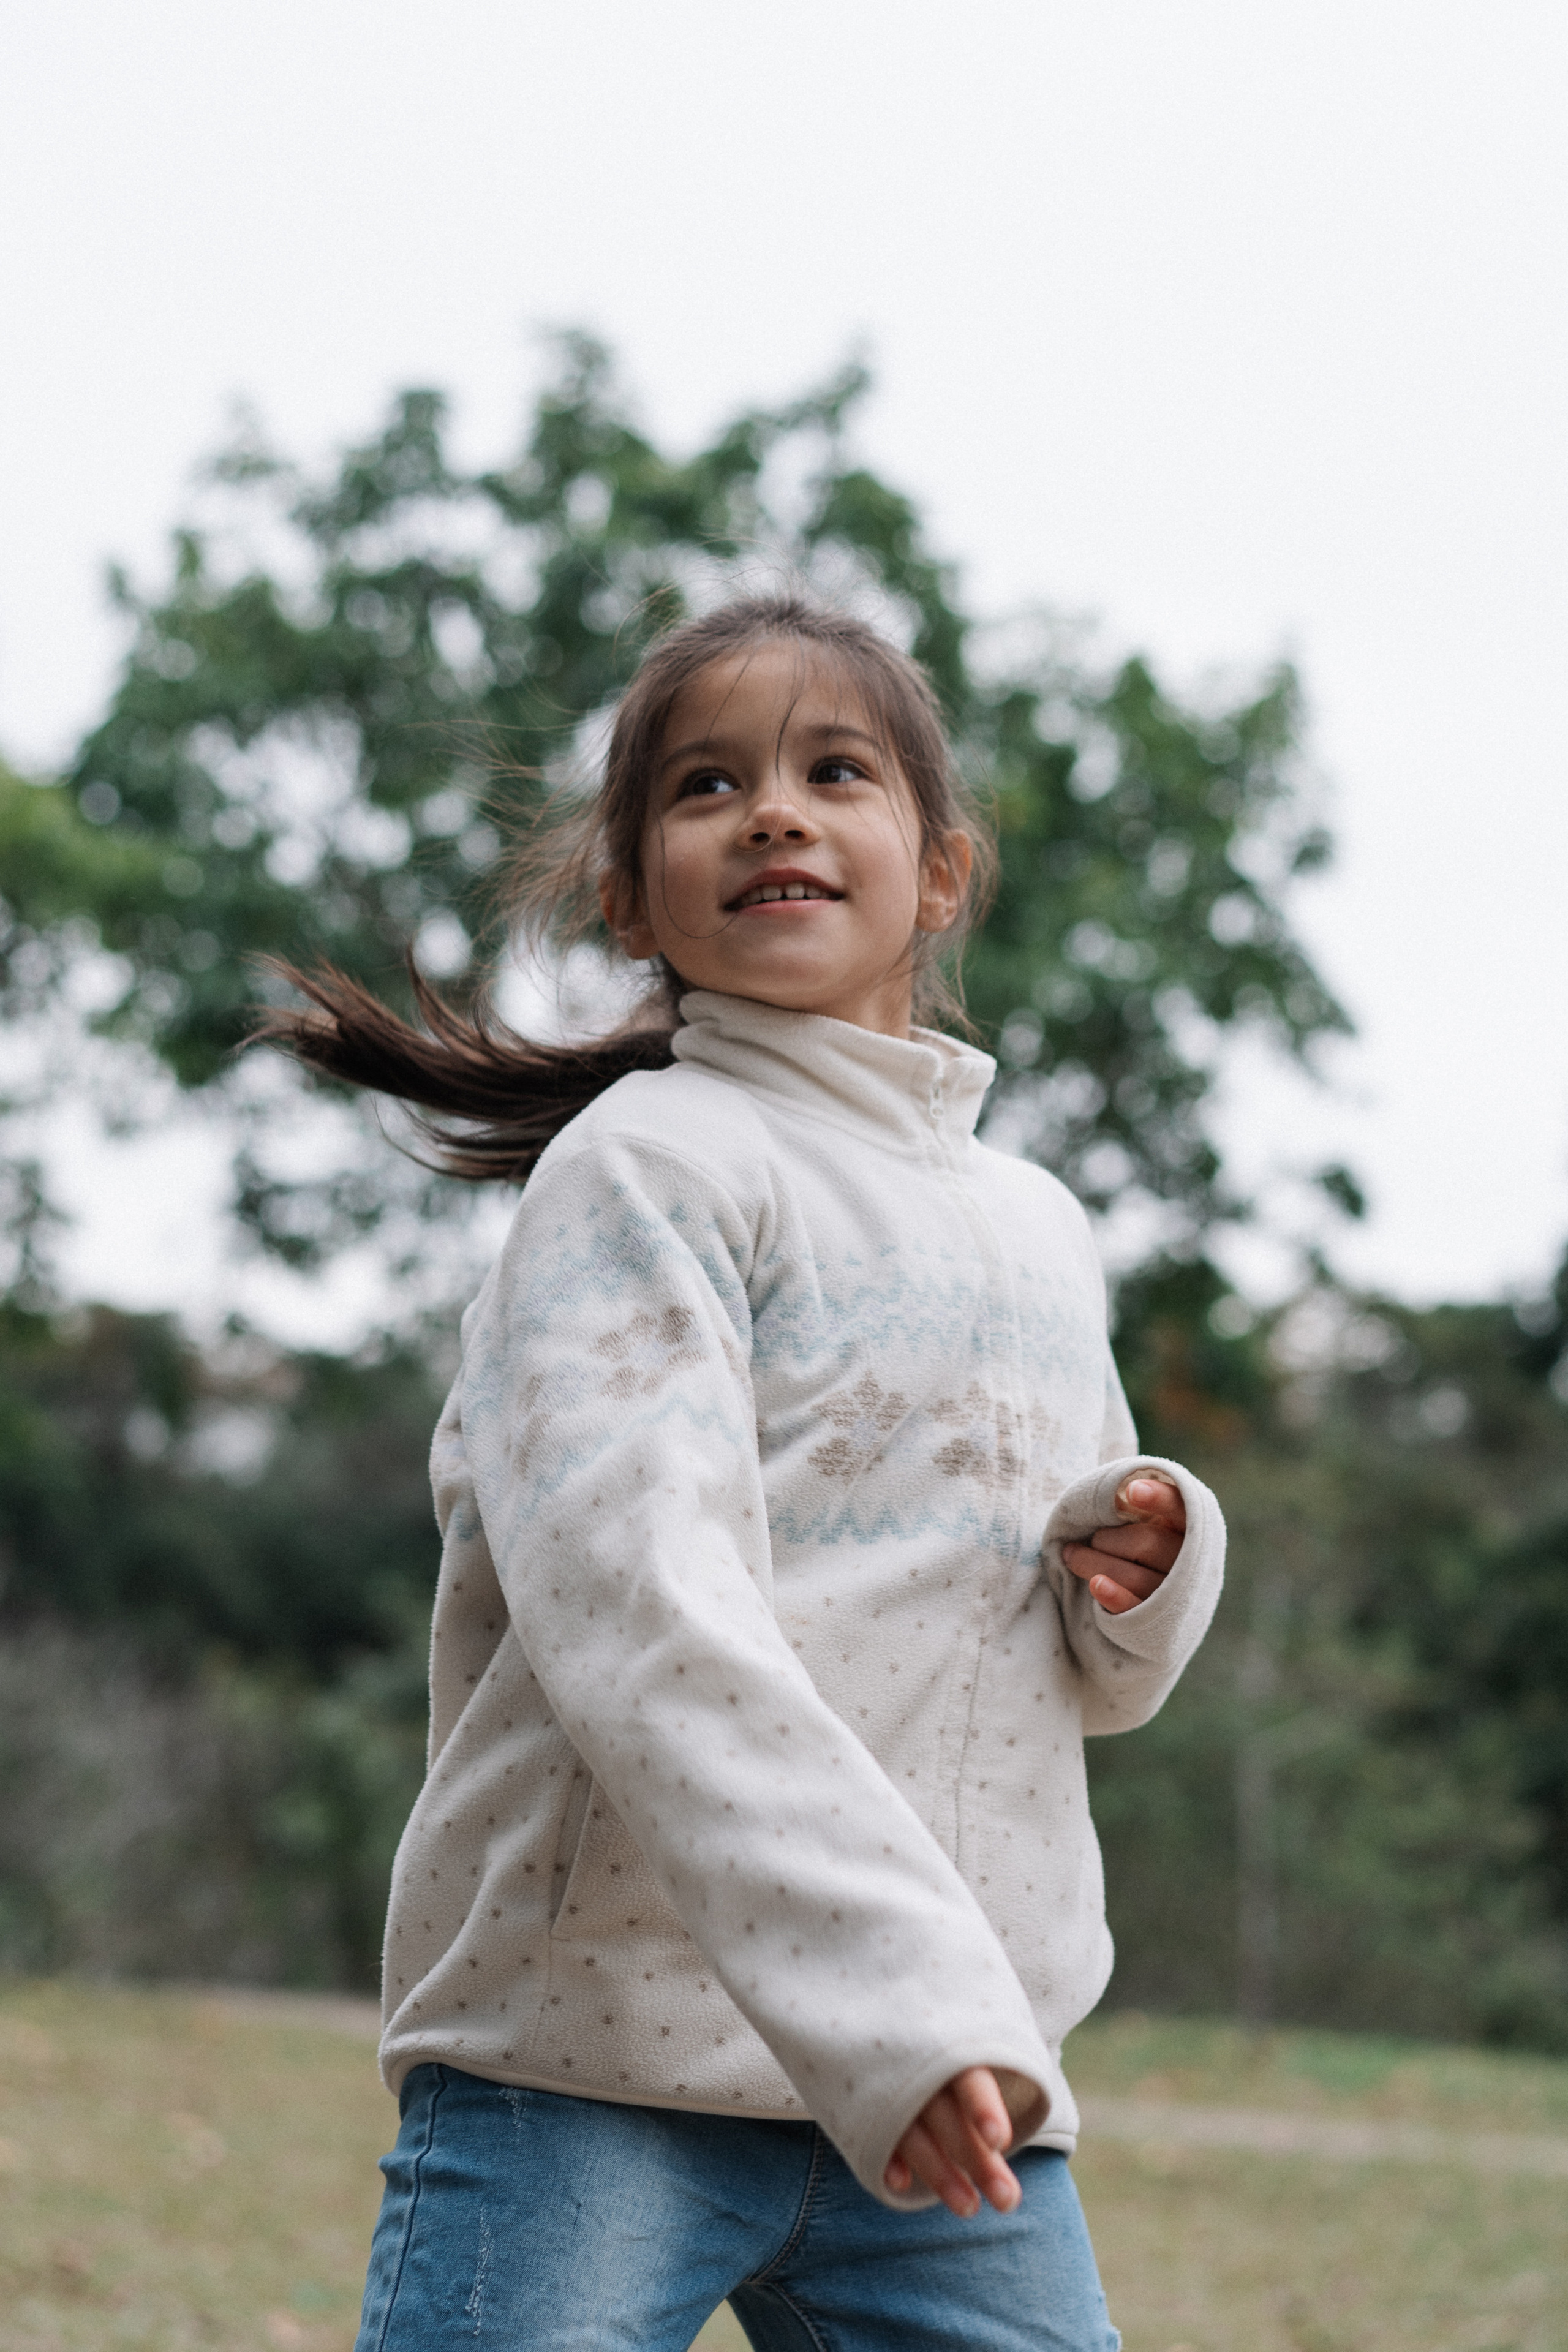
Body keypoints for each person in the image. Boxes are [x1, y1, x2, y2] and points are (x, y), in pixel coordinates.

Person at [259, 595, 1225, 2351]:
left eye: (832, 769)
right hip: (599, 2059)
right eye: (708, 784)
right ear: (633, 899)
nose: (772, 810)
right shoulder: (647, 1174)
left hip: (957, 2105)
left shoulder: (1035, 1227)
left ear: (939, 871)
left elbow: (1067, 1671)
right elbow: (646, 1614)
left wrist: (1140, 1577)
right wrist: (903, 2011)